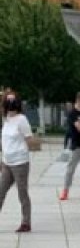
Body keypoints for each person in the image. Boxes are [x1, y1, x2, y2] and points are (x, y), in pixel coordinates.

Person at [0, 93, 36, 232]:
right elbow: (4, 141)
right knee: (1, 191)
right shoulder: (6, 119)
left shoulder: (22, 120)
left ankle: (26, 222)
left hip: (20, 162)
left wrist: (37, 143)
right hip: (7, 163)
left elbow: (29, 139)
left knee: (22, 193)